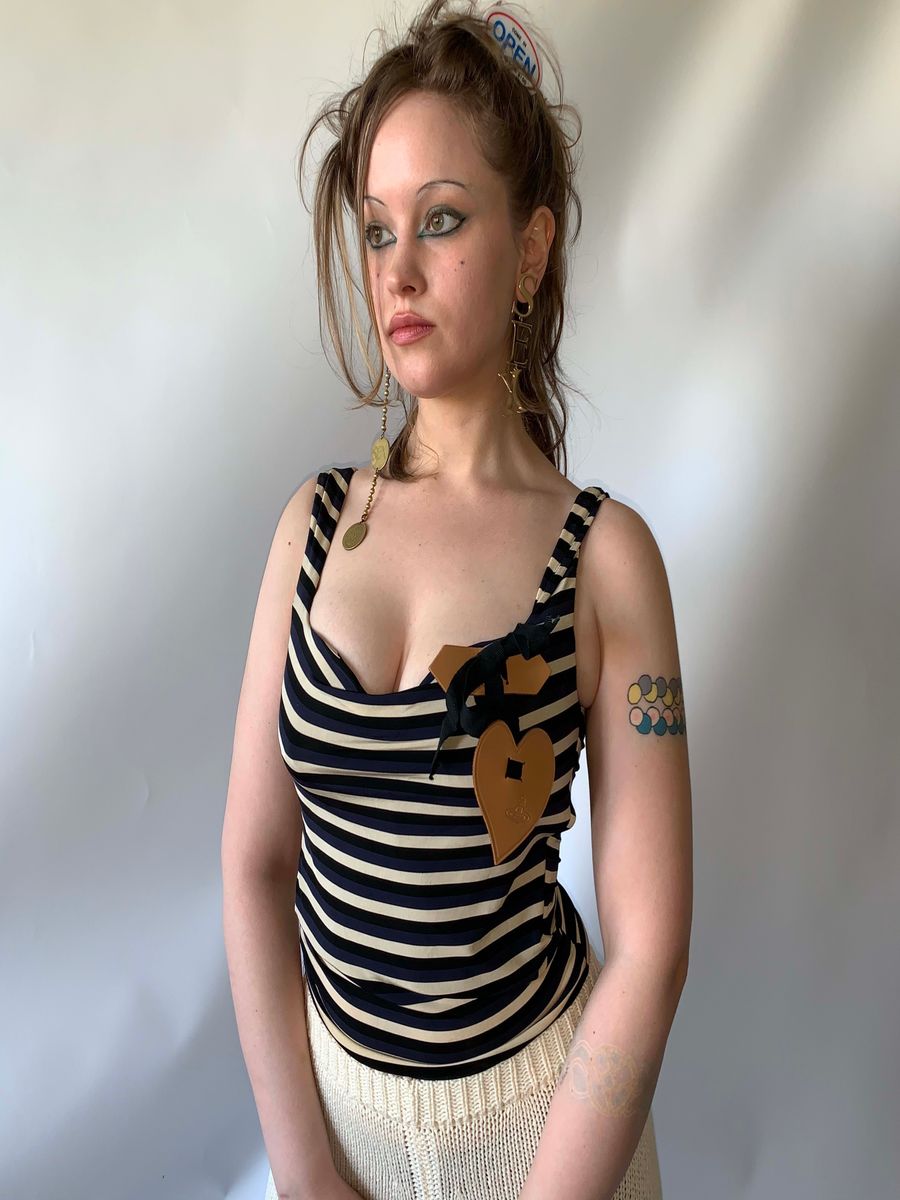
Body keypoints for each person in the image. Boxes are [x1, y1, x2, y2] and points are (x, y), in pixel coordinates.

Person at [221, 3, 693, 1198]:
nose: (399, 269)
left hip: (547, 1138)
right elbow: (253, 865)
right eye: (378, 229)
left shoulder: (604, 559)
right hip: (340, 1136)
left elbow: (650, 950)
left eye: (440, 219)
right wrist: (305, 1175)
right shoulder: (311, 529)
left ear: (530, 252)